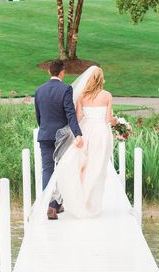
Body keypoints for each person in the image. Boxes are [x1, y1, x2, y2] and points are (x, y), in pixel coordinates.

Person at [38, 66, 119, 220]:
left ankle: (64, 202)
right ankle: (89, 202)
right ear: (101, 79)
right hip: (101, 133)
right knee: (96, 167)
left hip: (85, 131)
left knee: (81, 166)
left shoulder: (82, 96)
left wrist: (76, 135)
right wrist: (119, 122)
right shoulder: (107, 95)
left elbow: (78, 118)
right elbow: (109, 119)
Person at [34, 60, 83, 220]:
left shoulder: (39, 90)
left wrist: (45, 129)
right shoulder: (66, 89)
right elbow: (70, 113)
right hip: (61, 136)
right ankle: (56, 205)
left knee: (47, 170)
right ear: (62, 73)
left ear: (49, 72)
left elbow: (38, 116)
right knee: (62, 169)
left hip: (45, 134)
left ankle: (50, 204)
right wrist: (77, 134)